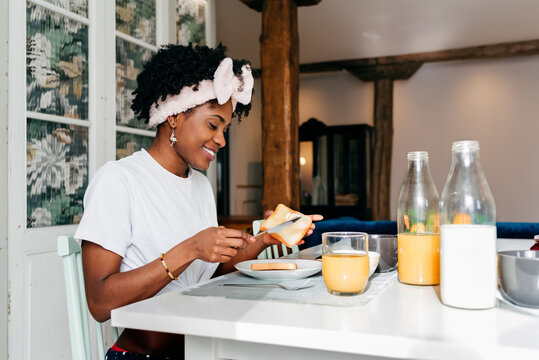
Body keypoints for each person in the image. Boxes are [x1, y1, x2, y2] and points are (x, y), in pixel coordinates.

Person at [75, 43, 321, 360]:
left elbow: (206, 277)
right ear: (174, 117)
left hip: (204, 350)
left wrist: (265, 238)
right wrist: (190, 248)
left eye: (225, 129)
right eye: (212, 124)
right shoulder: (120, 180)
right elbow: (99, 303)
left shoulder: (200, 186)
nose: (221, 140)